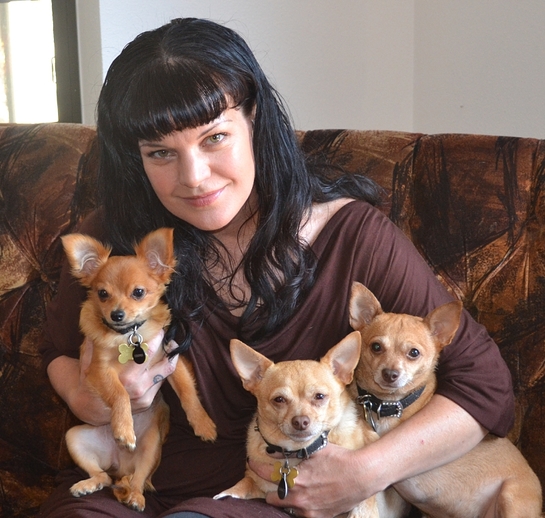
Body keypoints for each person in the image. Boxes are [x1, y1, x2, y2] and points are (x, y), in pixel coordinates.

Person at [39, 17, 514, 518]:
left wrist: (366, 472)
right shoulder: (117, 243)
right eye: (160, 153)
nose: (194, 178)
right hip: (122, 490)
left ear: (255, 119)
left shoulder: (354, 237)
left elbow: (484, 386)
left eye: (214, 138)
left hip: (272, 497)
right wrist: (95, 401)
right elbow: (56, 352)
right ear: (133, 159)